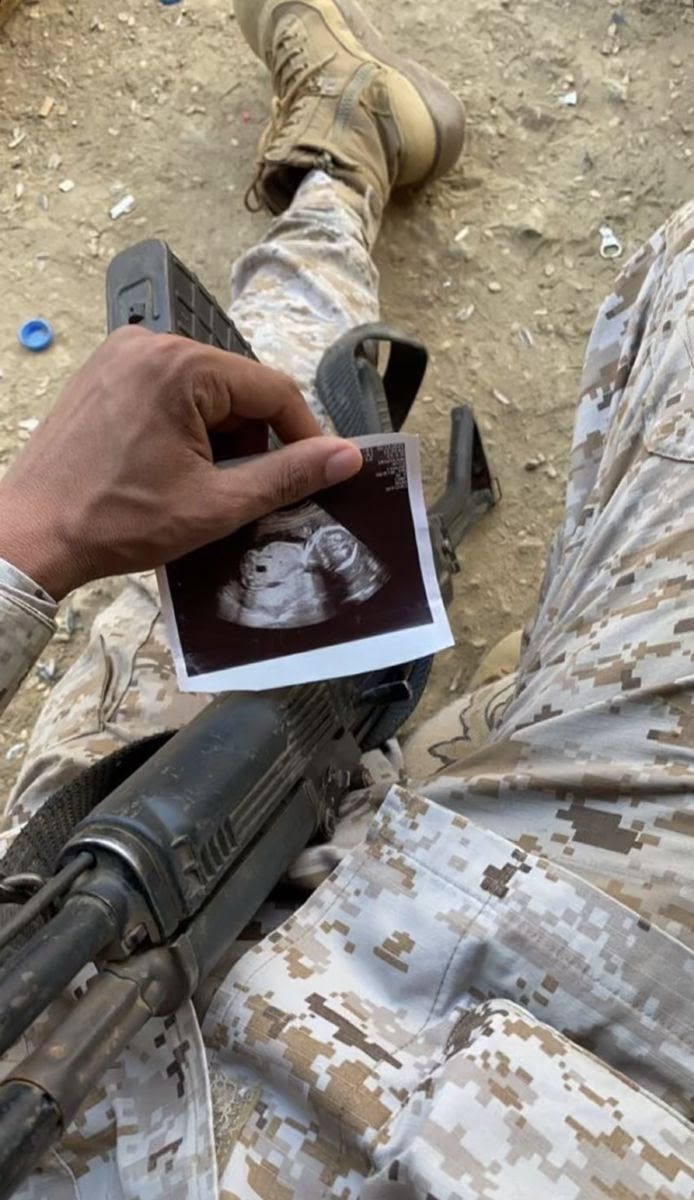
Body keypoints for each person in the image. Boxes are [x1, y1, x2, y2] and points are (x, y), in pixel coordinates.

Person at [0, 1, 691, 1196]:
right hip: (600, 1006)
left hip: (102, 904)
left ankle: (342, 160)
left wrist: (30, 548)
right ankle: (503, 710)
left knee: (254, 465)